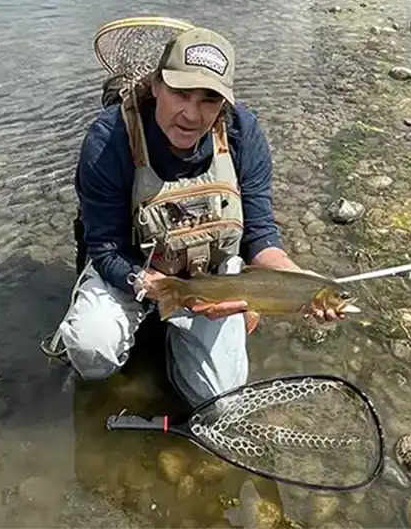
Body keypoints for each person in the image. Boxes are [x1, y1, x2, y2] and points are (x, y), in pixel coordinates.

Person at [52, 24, 342, 408]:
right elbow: (104, 248)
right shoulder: (107, 141)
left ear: (225, 102)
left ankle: (175, 342)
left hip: (212, 278)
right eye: (180, 93)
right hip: (130, 268)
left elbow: (259, 233)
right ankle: (144, 328)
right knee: (92, 351)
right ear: (156, 86)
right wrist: (156, 288)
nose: (191, 114)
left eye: (209, 99)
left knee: (220, 402)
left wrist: (295, 281)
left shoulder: (242, 133)